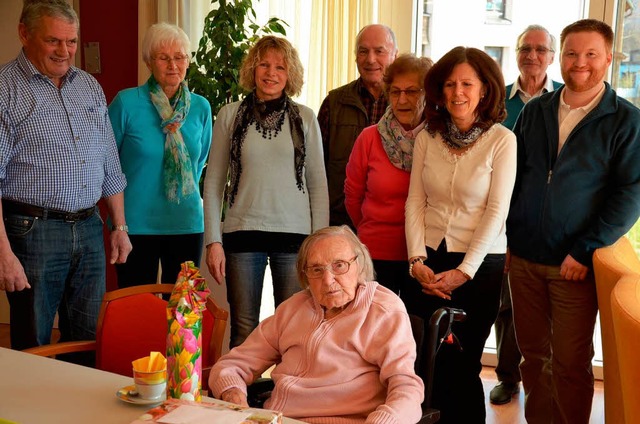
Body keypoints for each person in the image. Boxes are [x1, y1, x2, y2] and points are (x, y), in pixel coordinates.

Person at [507, 19, 640, 424]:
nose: (579, 63)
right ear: (559, 57)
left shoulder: (626, 121)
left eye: (590, 54)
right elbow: (513, 177)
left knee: (569, 364)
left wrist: (583, 251)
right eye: (571, 53)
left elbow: (630, 194)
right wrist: (509, 240)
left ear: (609, 58)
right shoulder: (536, 111)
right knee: (532, 359)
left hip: (574, 267)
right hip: (524, 260)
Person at [0, 0, 130, 352]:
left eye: (71, 41)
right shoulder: (5, 90)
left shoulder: (88, 86)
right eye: (53, 41)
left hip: (90, 228)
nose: (65, 51)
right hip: (32, 233)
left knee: (88, 339)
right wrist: (4, 254)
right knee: (35, 344)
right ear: (24, 34)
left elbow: (109, 162)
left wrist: (119, 227)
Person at [403, 47, 516, 424]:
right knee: (424, 360)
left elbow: (496, 211)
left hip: (479, 266)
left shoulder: (502, 140)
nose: (457, 92)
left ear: (484, 89)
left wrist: (465, 271)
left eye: (467, 83)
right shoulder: (427, 138)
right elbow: (415, 202)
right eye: (450, 84)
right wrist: (416, 260)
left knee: (462, 364)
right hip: (430, 261)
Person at [209, 225, 424, 423]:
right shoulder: (292, 309)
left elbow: (406, 388)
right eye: (316, 270)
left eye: (339, 266)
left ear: (359, 264)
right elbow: (232, 365)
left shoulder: (383, 310)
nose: (328, 280)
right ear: (305, 276)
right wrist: (232, 393)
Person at [203, 36, 329, 348]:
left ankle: (285, 397)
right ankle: (239, 397)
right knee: (244, 329)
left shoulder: (306, 118)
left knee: (294, 330)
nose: (271, 73)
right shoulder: (229, 116)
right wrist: (213, 242)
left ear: (290, 74)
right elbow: (214, 182)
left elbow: (318, 185)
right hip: (242, 234)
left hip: (295, 240)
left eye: (280, 67)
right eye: (264, 64)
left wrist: (321, 244)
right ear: (252, 68)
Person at [490, 24, 563, 405]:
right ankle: (508, 376)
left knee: (543, 309)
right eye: (525, 48)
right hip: (502, 215)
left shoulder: (564, 101)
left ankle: (542, 377)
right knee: (507, 305)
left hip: (547, 219)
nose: (532, 55)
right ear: (516, 53)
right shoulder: (497, 100)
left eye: (540, 49)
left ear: (551, 56)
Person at [108, 23, 211, 288]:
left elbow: (199, 164)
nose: (173, 65)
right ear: (149, 61)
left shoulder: (200, 107)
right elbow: (108, 163)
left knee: (184, 316)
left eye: (180, 57)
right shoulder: (126, 103)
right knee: (136, 310)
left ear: (188, 61)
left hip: (186, 224)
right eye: (164, 58)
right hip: (135, 226)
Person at [344, 53, 432, 294]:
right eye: (395, 91)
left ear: (427, 95)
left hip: (424, 256)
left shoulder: (438, 140)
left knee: (416, 329)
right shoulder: (369, 138)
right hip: (375, 254)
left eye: (412, 91)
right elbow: (352, 196)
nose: (402, 99)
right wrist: (372, 229)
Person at [318, 24, 398, 228]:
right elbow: (316, 170)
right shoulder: (333, 103)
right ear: (355, 57)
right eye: (363, 51)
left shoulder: (408, 105)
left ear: (394, 55)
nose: (370, 59)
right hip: (340, 223)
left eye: (379, 51)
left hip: (393, 225)